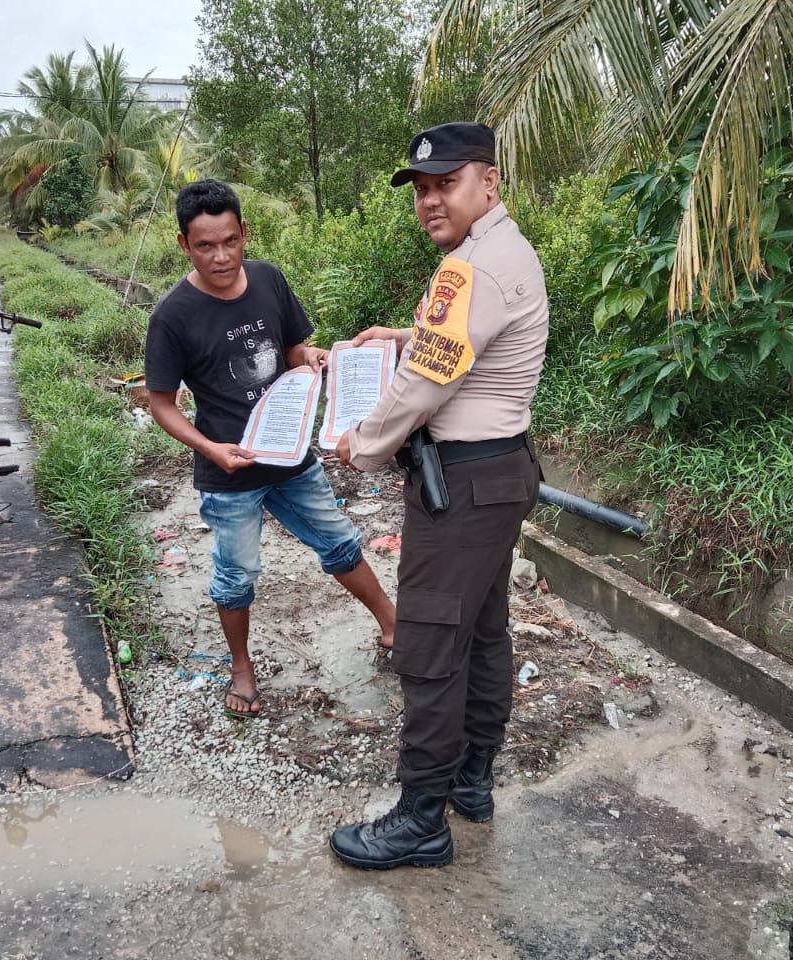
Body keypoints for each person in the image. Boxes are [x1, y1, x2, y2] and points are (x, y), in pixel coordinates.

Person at [329, 122, 549, 869]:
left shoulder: (469, 271)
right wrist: (400, 332)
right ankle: (472, 782)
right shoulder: (497, 252)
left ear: (488, 182)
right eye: (421, 189)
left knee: (427, 645)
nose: (430, 201)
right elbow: (457, 346)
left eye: (445, 184)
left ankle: (422, 818)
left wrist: (361, 444)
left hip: (462, 486)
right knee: (484, 634)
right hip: (504, 473)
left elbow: (425, 384)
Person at [145, 179, 396, 719]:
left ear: (244, 234)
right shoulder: (172, 315)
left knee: (339, 540)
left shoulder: (268, 281)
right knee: (236, 575)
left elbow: (291, 350)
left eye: (230, 241)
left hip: (290, 455)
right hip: (230, 468)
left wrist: (311, 358)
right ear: (183, 244)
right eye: (206, 246)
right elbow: (161, 403)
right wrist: (210, 448)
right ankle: (242, 667)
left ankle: (393, 626)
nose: (221, 256)